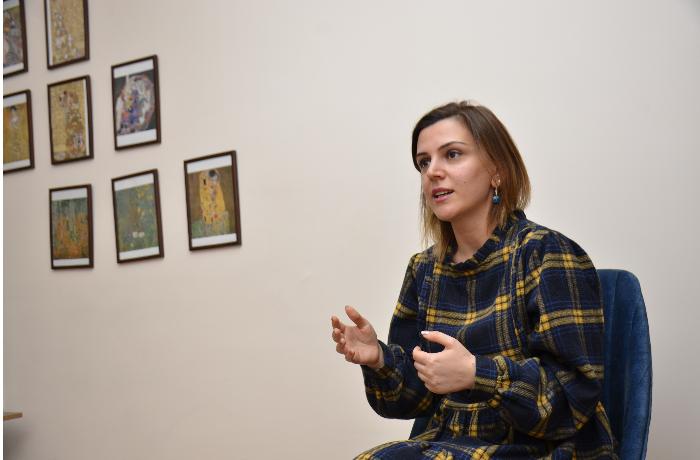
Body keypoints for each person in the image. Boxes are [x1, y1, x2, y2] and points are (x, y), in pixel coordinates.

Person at [331, 101, 617, 459]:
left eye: (452, 154)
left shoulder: (544, 253)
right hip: (455, 443)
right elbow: (414, 399)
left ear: (497, 170)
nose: (433, 172)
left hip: (544, 448)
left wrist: (475, 373)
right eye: (424, 162)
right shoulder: (424, 270)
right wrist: (379, 359)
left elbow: (572, 400)